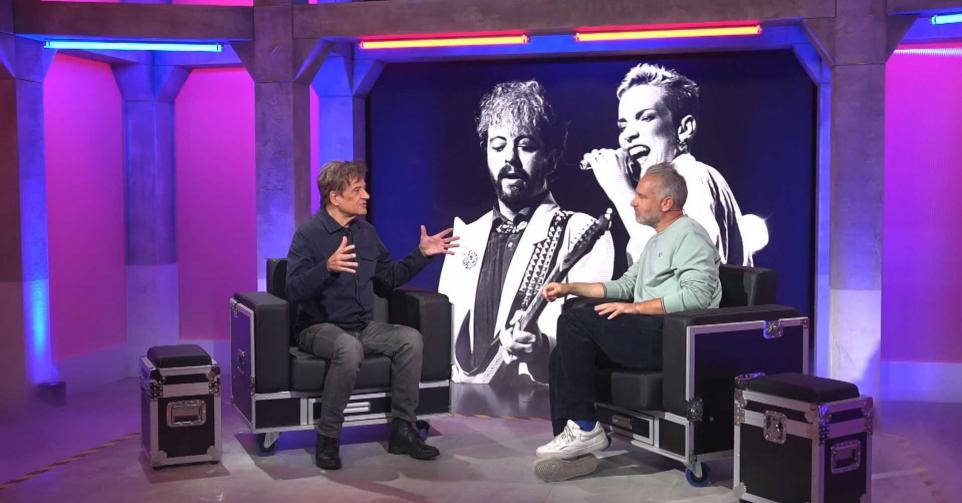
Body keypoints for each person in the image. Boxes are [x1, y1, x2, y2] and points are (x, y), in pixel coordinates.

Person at [536, 163, 721, 465]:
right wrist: (570, 288)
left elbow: (696, 297)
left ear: (666, 203)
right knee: (562, 350)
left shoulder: (690, 235)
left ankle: (585, 427)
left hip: (668, 338)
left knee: (573, 323)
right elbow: (624, 286)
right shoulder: (656, 239)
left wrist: (635, 307)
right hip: (645, 330)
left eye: (642, 196)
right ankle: (572, 441)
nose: (633, 202)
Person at [438, 80, 614, 387]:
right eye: (498, 146)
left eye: (526, 146)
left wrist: (540, 349)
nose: (510, 158)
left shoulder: (579, 231)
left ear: (552, 158)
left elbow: (588, 339)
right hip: (464, 402)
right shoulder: (465, 237)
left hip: (539, 402)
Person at [285, 160, 459, 470]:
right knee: (348, 347)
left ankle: (403, 429)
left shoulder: (366, 233)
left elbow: (388, 279)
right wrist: (326, 268)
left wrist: (421, 255)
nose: (366, 195)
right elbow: (294, 289)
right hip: (318, 328)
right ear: (334, 197)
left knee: (409, 339)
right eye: (357, 190)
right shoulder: (308, 235)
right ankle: (328, 437)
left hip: (362, 326)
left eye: (364, 188)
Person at [580, 63, 764, 266]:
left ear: (684, 129)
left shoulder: (690, 175)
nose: (628, 135)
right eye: (623, 126)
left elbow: (687, 266)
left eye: (646, 118)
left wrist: (619, 188)